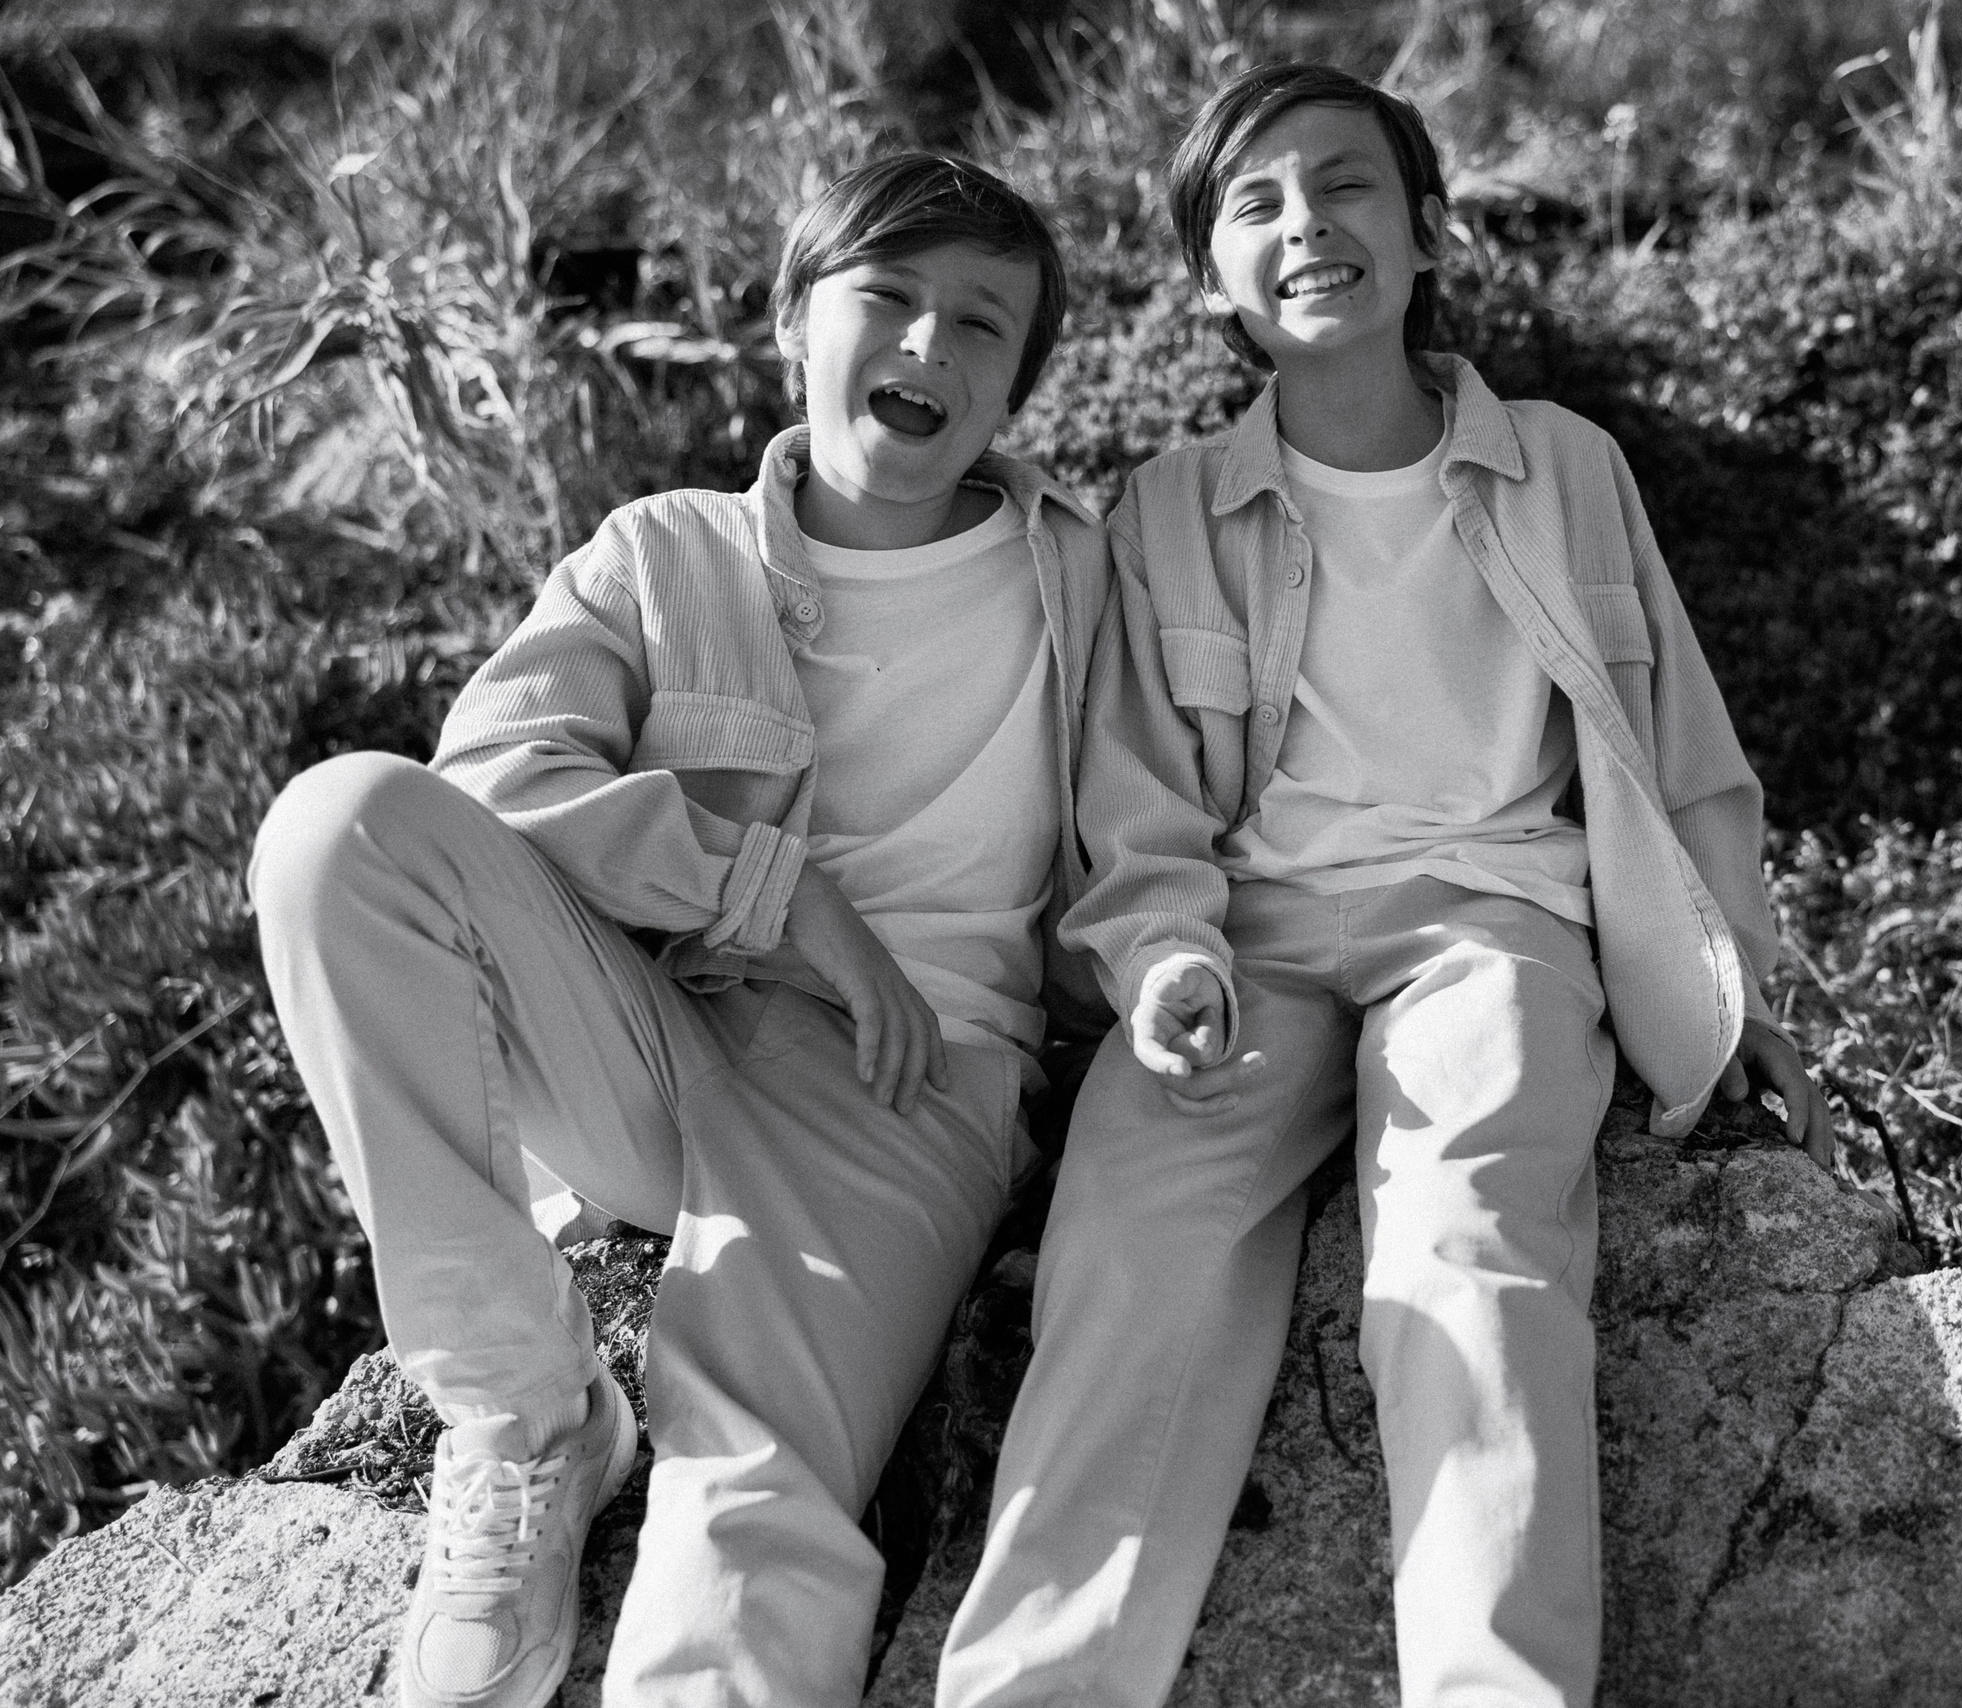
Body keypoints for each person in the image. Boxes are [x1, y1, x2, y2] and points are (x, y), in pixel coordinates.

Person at [935, 63, 1836, 1708]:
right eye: (1254, 206)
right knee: (1126, 1270)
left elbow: (1687, 755)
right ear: (1215, 277)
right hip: (1244, 945)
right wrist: (1160, 966)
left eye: (1343, 187)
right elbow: (1135, 803)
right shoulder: (1169, 508)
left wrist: (1737, 993)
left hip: (1493, 930)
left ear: (1427, 233)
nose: (1307, 228)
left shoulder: (1566, 465)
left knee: (1465, 1247)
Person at [249, 152, 1110, 1708]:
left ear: (1017, 390)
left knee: (753, 1480)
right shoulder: (666, 552)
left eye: (982, 326)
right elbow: (498, 775)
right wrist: (782, 899)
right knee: (340, 828)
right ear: (794, 318)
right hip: (655, 1039)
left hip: (906, 1081)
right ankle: (530, 1419)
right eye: (890, 299)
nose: (929, 347)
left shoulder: (1085, 579)